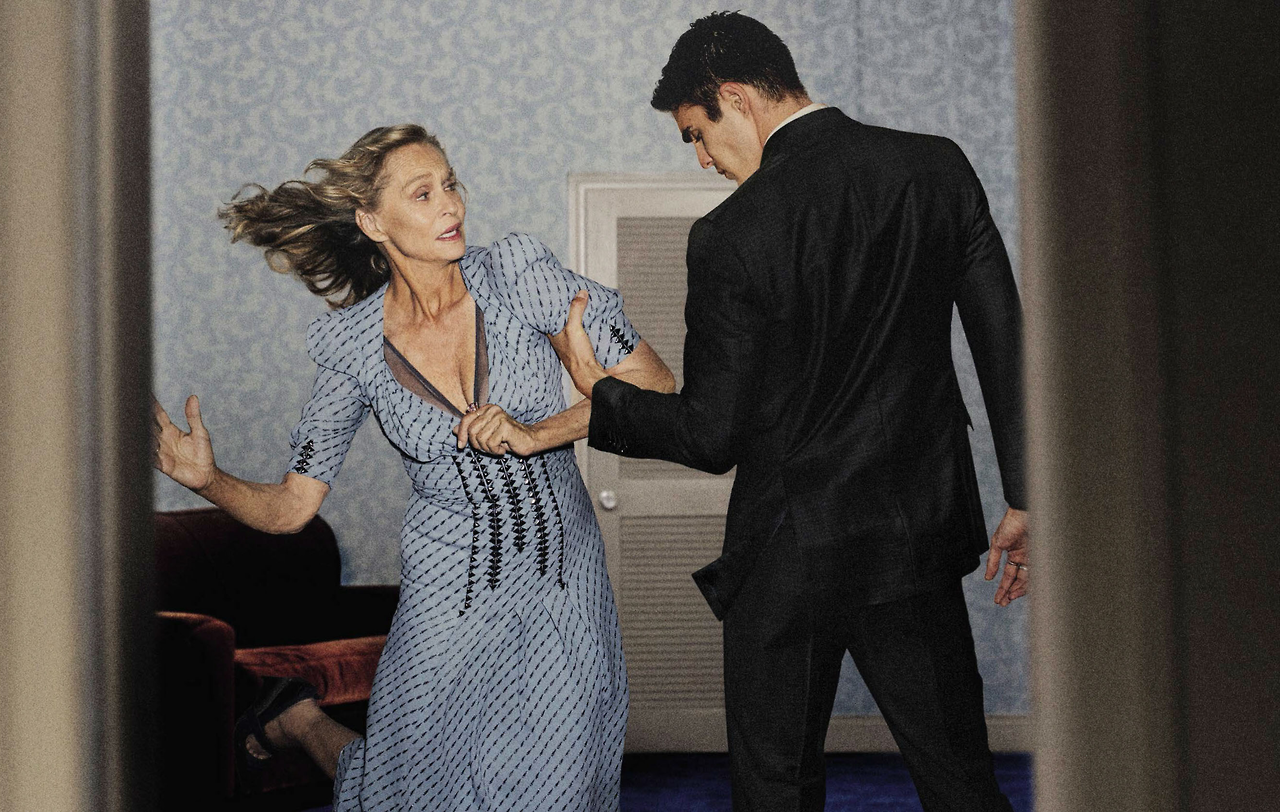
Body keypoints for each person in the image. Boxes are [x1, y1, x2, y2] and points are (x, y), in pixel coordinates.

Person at [552, 12, 1029, 812]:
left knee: (777, 791)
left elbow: (711, 435)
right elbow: (1004, 341)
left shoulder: (731, 233)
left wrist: (600, 390)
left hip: (788, 554)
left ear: (736, 97)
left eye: (697, 134)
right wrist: (1026, 494)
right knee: (962, 782)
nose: (703, 159)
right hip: (911, 534)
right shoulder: (935, 168)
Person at [152, 124, 675, 811]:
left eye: (450, 184)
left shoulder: (519, 277)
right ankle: (299, 721)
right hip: (445, 593)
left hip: (561, 581)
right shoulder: (352, 346)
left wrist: (537, 433)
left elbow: (654, 383)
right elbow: (291, 508)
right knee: (408, 789)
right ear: (373, 222)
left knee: (559, 788)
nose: (450, 204)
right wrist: (207, 480)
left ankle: (295, 719)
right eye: (422, 193)